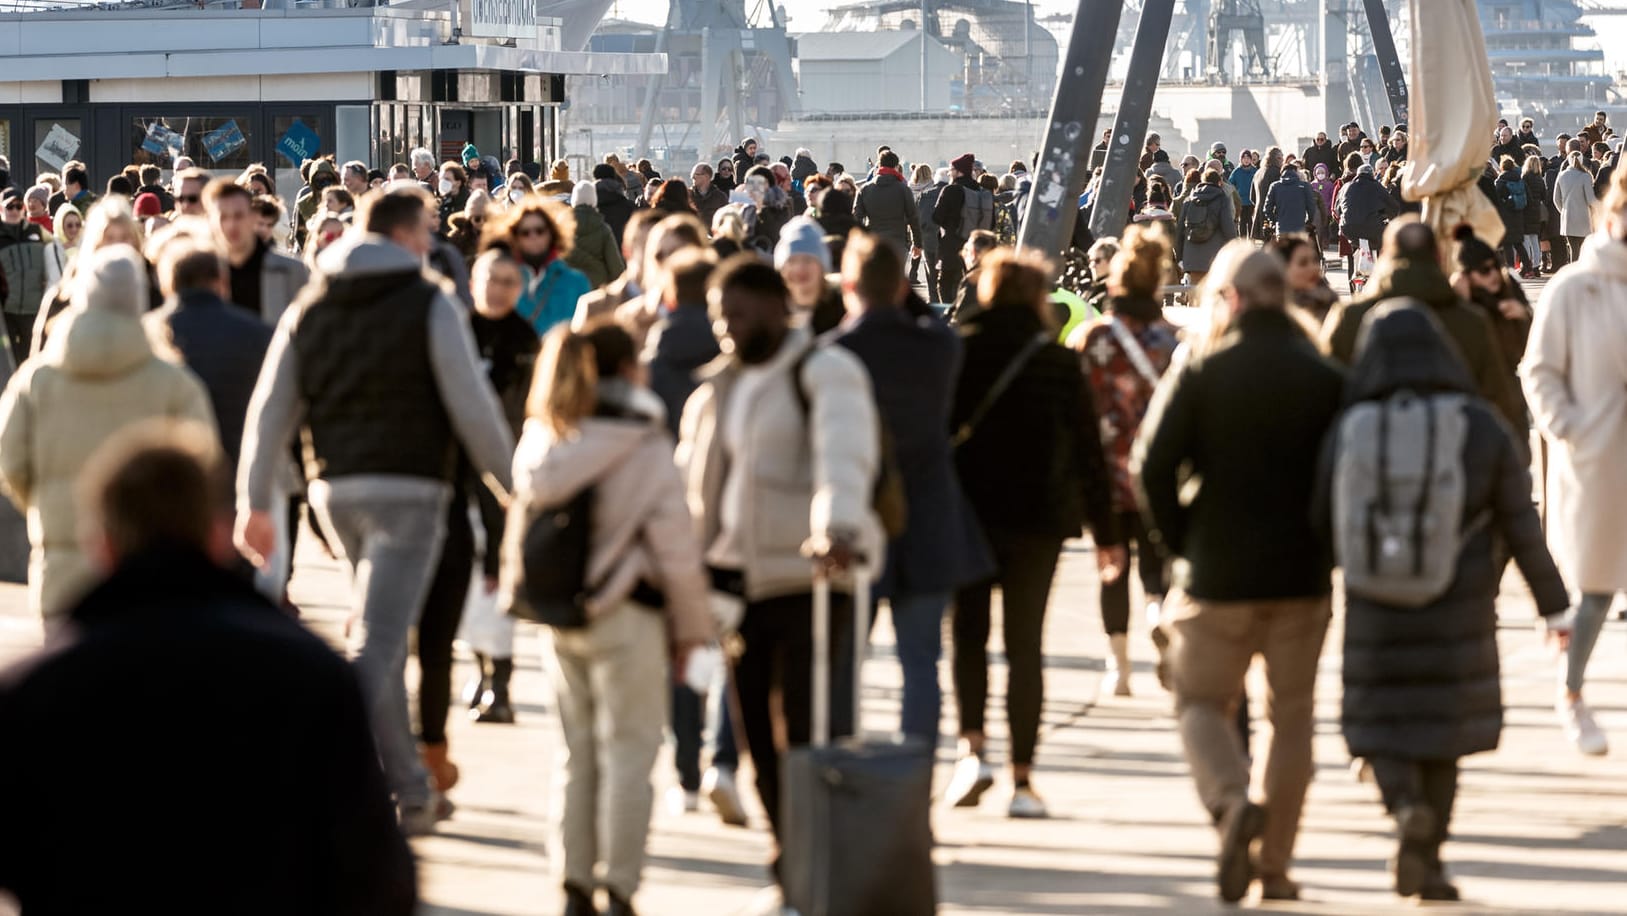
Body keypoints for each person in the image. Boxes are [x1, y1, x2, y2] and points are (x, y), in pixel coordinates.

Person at [0, 421, 416, 914]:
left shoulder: (34, 691)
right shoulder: (313, 675)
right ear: (218, 537)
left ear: (102, 546)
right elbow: (378, 879)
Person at [236, 186, 516, 834]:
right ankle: (301, 770)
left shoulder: (312, 305)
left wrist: (254, 499)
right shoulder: (431, 302)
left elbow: (269, 411)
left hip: (337, 492)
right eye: (425, 231)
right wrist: (514, 486)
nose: (431, 242)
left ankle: (411, 791)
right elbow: (471, 406)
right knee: (378, 645)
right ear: (404, 234)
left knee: (376, 633)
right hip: (412, 490)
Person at [1316, 303, 1569, 902]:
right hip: (1461, 599)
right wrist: (1553, 605)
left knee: (1380, 725)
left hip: (1375, 601)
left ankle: (1403, 808)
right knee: (1444, 734)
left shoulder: (1353, 425)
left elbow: (1318, 513)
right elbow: (1519, 519)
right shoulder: (1478, 426)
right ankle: (1429, 859)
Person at [1133, 243, 1345, 903]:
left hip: (1215, 574)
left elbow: (1149, 466)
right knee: (1293, 719)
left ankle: (1229, 804)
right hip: (1300, 576)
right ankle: (1274, 867)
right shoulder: (1324, 376)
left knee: (1199, 702)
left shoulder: (1201, 370)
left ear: (1228, 299)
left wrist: (1177, 546)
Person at [675, 254, 883, 890]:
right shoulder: (718, 389)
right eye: (718, 316)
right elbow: (695, 486)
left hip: (810, 575)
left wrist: (837, 529)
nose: (727, 327)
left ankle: (811, 863)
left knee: (803, 730)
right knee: (756, 738)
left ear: (775, 307)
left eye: (737, 314)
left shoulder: (826, 371)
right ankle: (788, 855)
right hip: (737, 584)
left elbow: (842, 458)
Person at [507, 321, 713, 916]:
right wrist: (694, 631)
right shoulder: (643, 444)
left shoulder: (544, 438)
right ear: (628, 370)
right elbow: (676, 548)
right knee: (629, 754)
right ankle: (619, 886)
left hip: (561, 614)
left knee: (575, 754)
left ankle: (572, 882)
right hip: (629, 616)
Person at [943, 249, 1123, 820]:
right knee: (1025, 647)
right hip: (1038, 519)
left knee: (968, 634)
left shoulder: (959, 351)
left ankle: (972, 750)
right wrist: (1106, 531)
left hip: (968, 515)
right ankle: (1023, 780)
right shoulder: (1057, 362)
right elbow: (1089, 452)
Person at [0, 245, 216, 628]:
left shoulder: (37, 380)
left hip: (62, 566)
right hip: (156, 571)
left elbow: (9, 459)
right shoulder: (175, 382)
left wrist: (42, 500)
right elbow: (204, 464)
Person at [832, 231, 991, 743]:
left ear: (849, 284)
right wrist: (903, 297)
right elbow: (927, 320)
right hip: (928, 514)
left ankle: (845, 761)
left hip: (857, 516)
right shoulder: (938, 346)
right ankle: (914, 771)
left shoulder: (835, 353)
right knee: (921, 661)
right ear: (903, 286)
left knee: (844, 662)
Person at [1520, 166, 1627, 758]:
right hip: (1598, 458)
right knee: (1595, 589)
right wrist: (1571, 430)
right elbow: (1539, 371)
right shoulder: (1573, 286)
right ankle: (1573, 693)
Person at [1068, 225, 1178, 697]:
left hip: (1107, 476)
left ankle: (1119, 668)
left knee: (1112, 566)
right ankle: (1158, 615)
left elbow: (1077, 413)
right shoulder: (1175, 341)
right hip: (1160, 474)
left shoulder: (1092, 339)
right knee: (1159, 568)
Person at [1322, 219, 1525, 436]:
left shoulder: (1350, 317)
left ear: (1384, 255)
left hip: (1368, 451)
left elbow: (1326, 395)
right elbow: (1498, 397)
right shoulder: (1471, 320)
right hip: (1455, 450)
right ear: (1438, 257)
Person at [146, 240, 275, 479]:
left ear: (167, 284)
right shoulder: (258, 333)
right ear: (222, 283)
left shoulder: (147, 334)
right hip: (242, 470)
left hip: (169, 478)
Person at [205, 179, 309, 326]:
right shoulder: (202, 272)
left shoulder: (292, 271)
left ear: (253, 217)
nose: (231, 225)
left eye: (238, 215)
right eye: (224, 217)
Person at [488, 196, 591, 338]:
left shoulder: (576, 282)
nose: (533, 236)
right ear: (515, 238)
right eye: (525, 232)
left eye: (540, 230)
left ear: (551, 234)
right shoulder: (503, 280)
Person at [0, 190, 60, 365]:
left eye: (18, 206)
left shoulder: (38, 232)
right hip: (6, 313)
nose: (14, 210)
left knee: (33, 360)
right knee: (9, 363)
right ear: (1, 208)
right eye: (10, 206)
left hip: (34, 310)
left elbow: (56, 259)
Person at [575, 209, 663, 327]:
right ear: (627, 251)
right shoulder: (595, 307)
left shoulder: (684, 303)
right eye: (647, 246)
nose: (656, 255)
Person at [775, 216, 844, 334]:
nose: (799, 268)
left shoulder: (842, 308)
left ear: (823, 267)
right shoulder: (772, 311)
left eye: (808, 260)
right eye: (791, 261)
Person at [1176, 168, 1239, 289]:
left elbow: (1180, 230)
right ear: (1219, 182)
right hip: (1214, 258)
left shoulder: (1189, 200)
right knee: (1211, 296)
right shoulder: (1222, 200)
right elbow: (1228, 228)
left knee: (1194, 295)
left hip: (1191, 258)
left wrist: (1180, 258)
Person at [854, 150, 922, 262]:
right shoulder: (903, 189)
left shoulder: (865, 189)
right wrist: (917, 244)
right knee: (895, 277)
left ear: (879, 165)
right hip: (898, 242)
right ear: (896, 167)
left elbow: (857, 218)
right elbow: (913, 217)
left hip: (873, 243)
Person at [934, 152, 985, 301]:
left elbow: (936, 217)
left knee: (946, 283)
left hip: (951, 245)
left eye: (951, 169)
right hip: (975, 245)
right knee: (971, 284)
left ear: (959, 171)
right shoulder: (979, 190)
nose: (950, 172)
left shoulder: (950, 190)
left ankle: (949, 317)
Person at [564, 181, 626, 290]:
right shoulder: (603, 228)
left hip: (568, 283)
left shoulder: (562, 226)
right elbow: (615, 265)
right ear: (594, 199)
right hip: (597, 285)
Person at [1269, 232, 1338, 325]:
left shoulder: (1332, 303)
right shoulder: (1270, 310)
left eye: (1315, 261)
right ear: (1283, 268)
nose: (1313, 268)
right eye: (1303, 263)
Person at [945, 229, 1000, 325]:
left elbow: (959, 318)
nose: (963, 255)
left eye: (965, 250)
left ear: (973, 253)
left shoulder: (974, 279)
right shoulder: (1003, 277)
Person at [1552, 151, 1595, 262]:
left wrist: (1563, 211)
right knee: (1583, 249)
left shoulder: (1561, 175)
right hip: (1584, 218)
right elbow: (1591, 200)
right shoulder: (1586, 176)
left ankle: (1574, 271)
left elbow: (1556, 199)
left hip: (1567, 218)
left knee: (1573, 249)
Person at [917, 167, 949, 302]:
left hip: (928, 239)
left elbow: (917, 218)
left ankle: (934, 300)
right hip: (947, 241)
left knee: (931, 274)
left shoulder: (924, 195)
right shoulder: (954, 193)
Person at [690, 162, 730, 229]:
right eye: (692, 174)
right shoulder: (687, 196)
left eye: (696, 174)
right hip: (693, 237)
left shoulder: (720, 197)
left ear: (706, 176)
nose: (692, 177)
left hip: (714, 236)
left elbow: (727, 220)